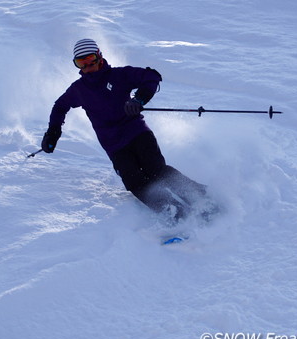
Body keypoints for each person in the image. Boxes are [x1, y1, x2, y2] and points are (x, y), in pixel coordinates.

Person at [41, 38, 212, 222]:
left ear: (99, 56)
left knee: (156, 170)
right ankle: (175, 214)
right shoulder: (79, 89)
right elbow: (59, 106)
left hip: (137, 132)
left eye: (90, 59)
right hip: (114, 145)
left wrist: (138, 99)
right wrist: (53, 132)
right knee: (135, 182)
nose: (87, 66)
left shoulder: (119, 76)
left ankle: (204, 198)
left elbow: (152, 76)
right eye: (81, 62)